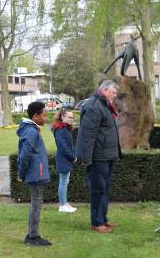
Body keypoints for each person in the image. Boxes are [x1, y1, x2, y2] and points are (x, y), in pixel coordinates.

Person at [76, 80, 122, 234]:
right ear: (105, 90)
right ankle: (96, 222)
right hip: (98, 158)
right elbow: (87, 136)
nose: (115, 96)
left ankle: (103, 220)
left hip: (106, 156)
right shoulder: (94, 106)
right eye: (113, 92)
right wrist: (87, 159)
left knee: (104, 189)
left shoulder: (104, 105)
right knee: (98, 190)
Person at [17, 101, 52, 246]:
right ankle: (33, 237)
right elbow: (25, 155)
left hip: (36, 172)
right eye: (44, 115)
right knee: (36, 203)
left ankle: (32, 235)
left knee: (36, 202)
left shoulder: (32, 129)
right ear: (35, 116)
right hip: (35, 173)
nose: (46, 118)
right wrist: (21, 173)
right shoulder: (31, 131)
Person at [52, 109, 77, 213]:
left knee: (65, 181)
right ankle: (62, 205)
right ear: (62, 117)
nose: (71, 119)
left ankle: (65, 203)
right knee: (63, 182)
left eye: (72, 117)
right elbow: (63, 147)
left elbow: (69, 145)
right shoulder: (60, 130)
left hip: (65, 159)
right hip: (63, 159)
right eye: (69, 117)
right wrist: (73, 157)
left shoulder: (65, 128)